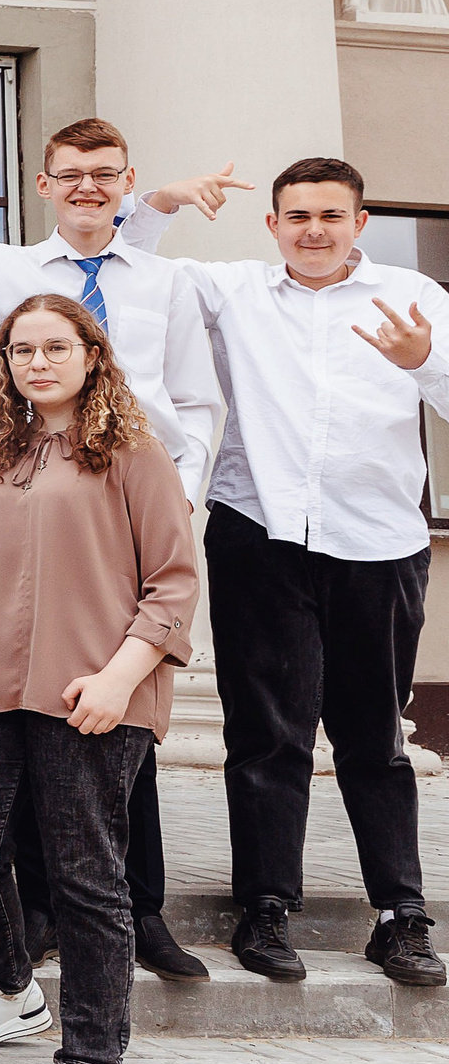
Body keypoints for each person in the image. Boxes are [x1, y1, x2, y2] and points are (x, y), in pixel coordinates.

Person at [0, 102, 236, 977]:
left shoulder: (166, 281)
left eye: (105, 173)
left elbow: (199, 402)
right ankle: (38, 913)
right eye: (70, 173)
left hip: (134, 512)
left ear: (126, 183)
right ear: (44, 184)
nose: (87, 187)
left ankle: (140, 911)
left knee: (117, 718)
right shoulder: (1, 269)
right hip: (31, 502)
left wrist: (175, 507)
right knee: (36, 713)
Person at [160, 157, 448, 987]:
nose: (313, 229)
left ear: (360, 221)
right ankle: (265, 909)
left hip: (380, 542)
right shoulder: (233, 292)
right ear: (273, 224)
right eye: (297, 215)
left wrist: (424, 362)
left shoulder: (417, 298)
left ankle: (401, 917)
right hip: (263, 534)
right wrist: (163, 196)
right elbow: (127, 261)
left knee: (375, 739)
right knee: (266, 733)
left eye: (331, 214)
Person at [0, 293, 198, 1064]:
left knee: (87, 876)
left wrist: (122, 677)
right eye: (20, 350)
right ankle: (9, 986)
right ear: (4, 365)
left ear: (91, 355)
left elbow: (176, 582)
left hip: (97, 694)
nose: (36, 363)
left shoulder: (134, 452)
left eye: (55, 347)